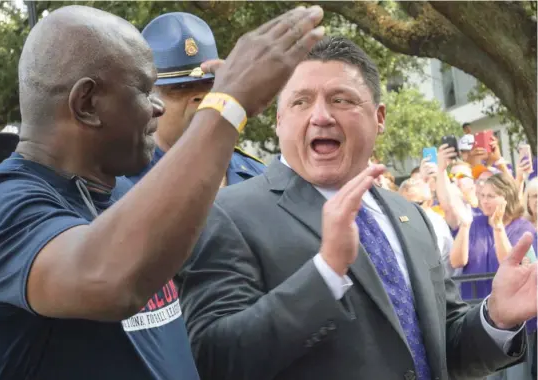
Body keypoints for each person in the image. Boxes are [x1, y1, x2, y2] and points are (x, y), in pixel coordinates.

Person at [0, 5, 327, 380]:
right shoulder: (1, 206)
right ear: (87, 104)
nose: (158, 108)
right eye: (145, 90)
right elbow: (109, 279)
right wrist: (226, 106)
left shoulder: (120, 193)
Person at [178, 36, 536, 380]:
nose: (320, 116)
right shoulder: (227, 214)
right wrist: (326, 273)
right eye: (300, 102)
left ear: (379, 117)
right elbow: (216, 360)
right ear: (278, 120)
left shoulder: (409, 216)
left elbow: (443, 349)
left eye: (341, 99)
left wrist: (496, 318)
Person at [127, 12, 265, 187]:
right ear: (148, 99)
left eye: (210, 84)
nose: (200, 96)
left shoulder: (256, 176)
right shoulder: (122, 185)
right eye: (180, 88)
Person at [398, 178, 455, 277]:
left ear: (429, 202)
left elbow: (429, 261)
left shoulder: (435, 224)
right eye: (401, 204)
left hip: (440, 285)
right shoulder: (404, 220)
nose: (406, 209)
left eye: (414, 204)